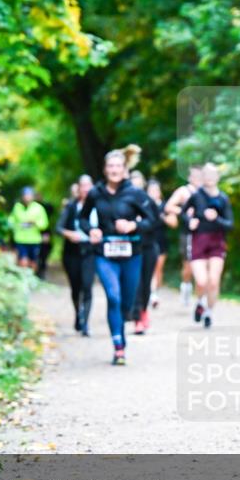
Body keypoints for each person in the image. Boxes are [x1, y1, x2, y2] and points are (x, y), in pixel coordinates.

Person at [79, 149, 159, 365]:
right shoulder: (96, 193)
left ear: (125, 170)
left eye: (118, 166)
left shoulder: (135, 193)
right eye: (110, 166)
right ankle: (118, 346)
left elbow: (153, 220)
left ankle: (121, 330)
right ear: (105, 170)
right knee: (113, 296)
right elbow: (83, 218)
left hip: (132, 254)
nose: (114, 170)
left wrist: (134, 225)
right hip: (104, 253)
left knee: (126, 302)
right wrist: (91, 231)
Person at [183, 163, 233, 328]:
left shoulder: (223, 198)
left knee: (213, 281)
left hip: (217, 243)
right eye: (206, 175)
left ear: (217, 177)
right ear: (202, 177)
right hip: (198, 241)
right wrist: (190, 221)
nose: (209, 179)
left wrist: (216, 219)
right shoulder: (196, 196)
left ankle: (209, 312)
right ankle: (200, 301)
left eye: (212, 175)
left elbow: (230, 224)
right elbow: (183, 213)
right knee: (202, 281)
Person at [57, 174, 97, 336]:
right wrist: (70, 234)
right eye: (83, 186)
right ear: (78, 189)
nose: (86, 190)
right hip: (72, 252)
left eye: (89, 186)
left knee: (87, 286)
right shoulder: (71, 207)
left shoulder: (98, 206)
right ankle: (77, 314)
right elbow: (58, 227)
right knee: (76, 288)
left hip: (90, 251)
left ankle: (85, 323)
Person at [164, 165, 203, 306]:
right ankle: (186, 287)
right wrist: (184, 212)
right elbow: (168, 206)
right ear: (189, 177)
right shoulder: (183, 191)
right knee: (188, 266)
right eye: (195, 176)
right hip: (188, 233)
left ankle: (201, 297)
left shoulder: (207, 191)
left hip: (205, 233)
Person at [127, 170, 157, 334]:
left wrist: (140, 224)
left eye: (139, 184)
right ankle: (137, 318)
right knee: (136, 284)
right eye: (133, 183)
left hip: (149, 247)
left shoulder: (148, 201)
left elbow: (156, 222)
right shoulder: (126, 201)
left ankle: (144, 311)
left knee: (145, 284)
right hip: (132, 248)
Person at [8, 186, 48, 273]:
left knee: (33, 262)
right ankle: (25, 280)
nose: (27, 197)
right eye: (25, 195)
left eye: (29, 195)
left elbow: (44, 224)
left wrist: (35, 223)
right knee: (23, 261)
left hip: (34, 240)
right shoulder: (17, 207)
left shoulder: (39, 208)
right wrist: (16, 226)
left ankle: (32, 279)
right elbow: (11, 221)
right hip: (20, 239)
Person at [146, 179, 168, 310]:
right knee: (151, 268)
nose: (154, 193)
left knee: (158, 269)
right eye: (151, 190)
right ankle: (152, 294)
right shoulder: (143, 205)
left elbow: (173, 222)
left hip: (161, 240)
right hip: (148, 240)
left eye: (156, 190)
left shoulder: (164, 206)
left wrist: (163, 217)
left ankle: (155, 292)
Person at [35, 192, 55, 280]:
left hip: (44, 232)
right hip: (34, 234)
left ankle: (41, 271)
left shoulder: (45, 206)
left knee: (43, 253)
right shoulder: (32, 207)